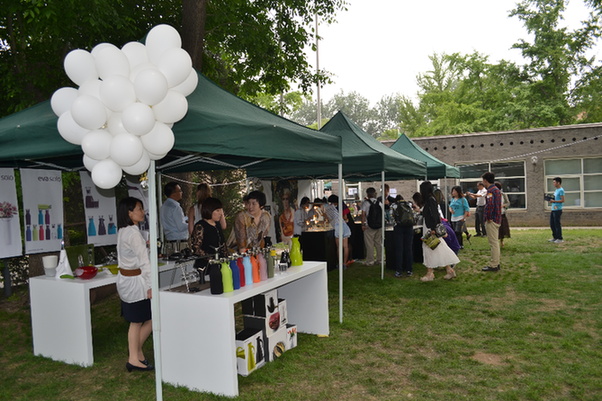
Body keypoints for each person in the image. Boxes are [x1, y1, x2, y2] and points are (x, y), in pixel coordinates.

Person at [116, 197, 153, 372]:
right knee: (139, 321)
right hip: (135, 283)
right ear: (129, 213)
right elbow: (145, 262)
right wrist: (150, 285)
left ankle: (137, 353)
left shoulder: (124, 231)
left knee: (138, 320)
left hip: (126, 280)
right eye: (139, 209)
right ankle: (133, 357)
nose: (142, 211)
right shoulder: (132, 233)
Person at [419, 181, 460, 282]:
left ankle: (430, 273)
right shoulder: (430, 200)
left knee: (430, 249)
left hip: (430, 229)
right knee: (439, 248)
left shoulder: (430, 200)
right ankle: (448, 270)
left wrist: (433, 229)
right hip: (430, 228)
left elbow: (435, 216)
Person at [190, 197, 227, 275]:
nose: (220, 213)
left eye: (221, 210)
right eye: (217, 210)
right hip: (205, 267)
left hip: (220, 264)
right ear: (209, 210)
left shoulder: (217, 224)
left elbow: (223, 244)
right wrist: (212, 258)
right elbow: (195, 248)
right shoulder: (200, 226)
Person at [160, 182, 188, 255]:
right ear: (173, 194)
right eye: (180, 191)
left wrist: (186, 218)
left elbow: (173, 221)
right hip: (178, 244)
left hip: (169, 242)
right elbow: (181, 227)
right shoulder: (176, 207)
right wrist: (192, 223)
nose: (182, 192)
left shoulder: (164, 206)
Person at [481, 172, 502, 272]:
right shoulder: (496, 190)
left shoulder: (490, 191)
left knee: (493, 243)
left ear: (485, 180)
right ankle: (496, 263)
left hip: (492, 220)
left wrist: (488, 217)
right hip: (497, 218)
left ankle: (494, 265)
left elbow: (490, 205)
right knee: (495, 242)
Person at [324, 195, 352, 267]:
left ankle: (340, 263)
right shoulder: (342, 205)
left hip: (337, 226)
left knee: (339, 247)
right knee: (345, 246)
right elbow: (345, 217)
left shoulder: (329, 209)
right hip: (344, 225)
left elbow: (329, 219)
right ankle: (345, 263)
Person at [390, 195, 414, 278]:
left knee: (399, 249)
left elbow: (391, 217)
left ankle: (399, 270)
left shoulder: (393, 206)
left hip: (399, 228)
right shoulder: (409, 204)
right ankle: (409, 270)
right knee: (408, 248)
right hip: (409, 227)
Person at [361, 187, 382, 266]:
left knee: (369, 243)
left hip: (369, 226)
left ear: (367, 194)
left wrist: (363, 224)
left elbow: (363, 214)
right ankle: (379, 259)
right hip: (379, 225)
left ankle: (370, 261)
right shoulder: (379, 203)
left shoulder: (366, 203)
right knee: (378, 243)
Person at [548, 177, 565, 243]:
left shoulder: (561, 190)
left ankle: (559, 238)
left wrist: (554, 201)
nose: (553, 184)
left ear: (558, 182)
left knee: (557, 224)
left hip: (558, 209)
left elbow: (563, 200)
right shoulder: (556, 190)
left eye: (554, 182)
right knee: (552, 224)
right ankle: (555, 237)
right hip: (553, 208)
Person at [495, 182, 511, 247]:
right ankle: (495, 241)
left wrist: (503, 206)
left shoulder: (503, 195)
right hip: (495, 214)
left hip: (502, 213)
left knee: (502, 228)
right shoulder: (492, 194)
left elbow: (508, 203)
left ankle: (501, 241)